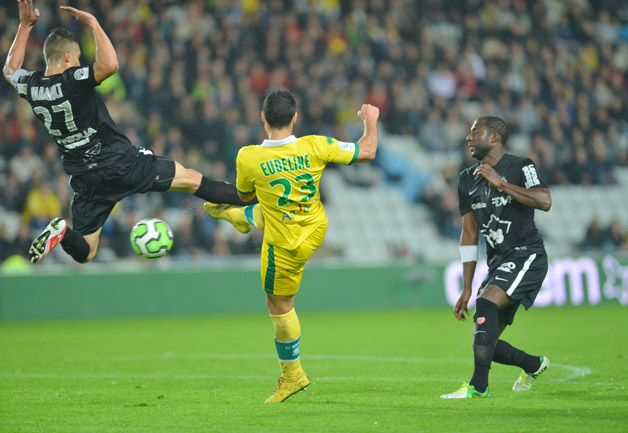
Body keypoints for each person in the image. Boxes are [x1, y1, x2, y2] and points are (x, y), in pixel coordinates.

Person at [3, 1, 247, 265]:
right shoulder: (72, 80)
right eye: (77, 57)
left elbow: (10, 70)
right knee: (193, 179)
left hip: (86, 178)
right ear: (67, 57)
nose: (78, 62)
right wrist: (94, 24)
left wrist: (24, 26)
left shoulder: (32, 86)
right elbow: (110, 65)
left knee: (86, 250)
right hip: (121, 163)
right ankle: (252, 200)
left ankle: (62, 232)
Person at [205, 89, 379, 402]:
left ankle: (292, 375)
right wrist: (371, 120)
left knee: (279, 306)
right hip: (315, 227)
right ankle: (240, 218)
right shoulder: (317, 145)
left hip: (284, 245)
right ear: (295, 117)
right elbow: (367, 151)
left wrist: (240, 199)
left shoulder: (248, 156)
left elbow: (244, 194)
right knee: (272, 209)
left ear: (263, 117)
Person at [441, 116, 551, 399]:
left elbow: (544, 201)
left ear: (494, 137)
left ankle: (478, 387)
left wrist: (501, 184)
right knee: (485, 339)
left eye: (475, 132)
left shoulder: (521, 166)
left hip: (527, 254)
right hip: (498, 262)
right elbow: (469, 233)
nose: (468, 137)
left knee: (486, 303)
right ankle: (533, 364)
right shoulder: (466, 179)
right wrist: (466, 287)